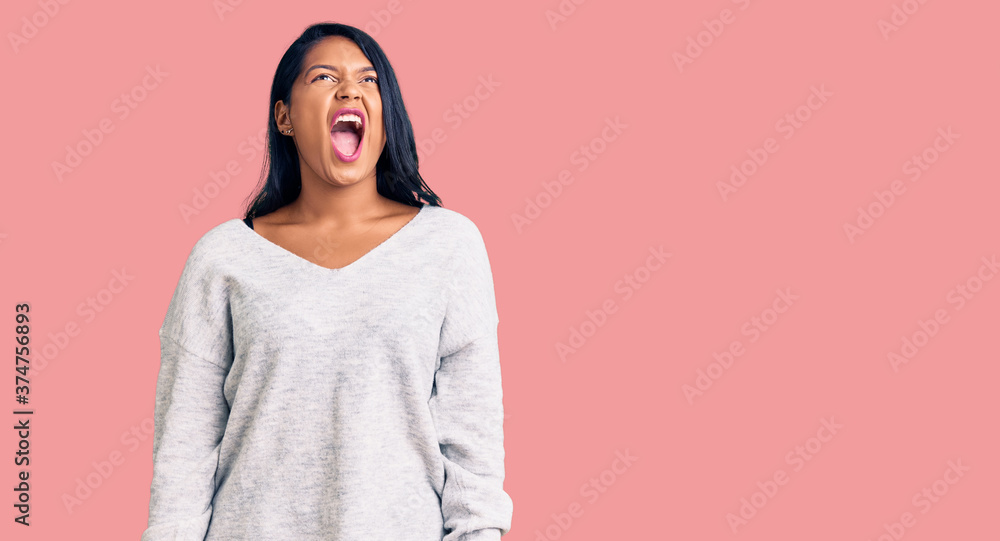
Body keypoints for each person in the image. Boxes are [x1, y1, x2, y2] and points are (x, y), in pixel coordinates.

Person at [140, 22, 513, 540]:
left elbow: (474, 453)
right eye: (323, 77)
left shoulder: (449, 247)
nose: (349, 89)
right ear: (284, 117)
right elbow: (183, 452)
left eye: (368, 79)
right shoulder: (222, 258)